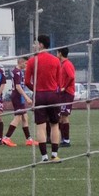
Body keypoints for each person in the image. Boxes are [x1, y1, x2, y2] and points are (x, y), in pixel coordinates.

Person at [25, 34, 63, 162]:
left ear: (41, 45)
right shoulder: (56, 60)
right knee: (54, 125)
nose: (33, 46)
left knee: (40, 126)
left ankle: (44, 157)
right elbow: (59, 81)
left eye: (35, 43)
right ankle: (54, 154)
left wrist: (35, 89)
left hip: (39, 95)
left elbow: (26, 81)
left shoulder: (31, 60)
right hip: (52, 95)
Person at [2, 55, 36, 147]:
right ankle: (6, 137)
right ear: (20, 62)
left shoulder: (19, 72)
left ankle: (29, 139)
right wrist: (26, 97)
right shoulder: (16, 72)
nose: (26, 65)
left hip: (19, 96)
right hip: (17, 96)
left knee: (25, 117)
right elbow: (18, 87)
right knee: (18, 117)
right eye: (26, 63)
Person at [57, 47, 76, 147]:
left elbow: (71, 77)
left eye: (57, 52)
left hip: (67, 93)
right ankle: (62, 138)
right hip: (63, 93)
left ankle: (66, 140)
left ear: (60, 53)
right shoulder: (62, 64)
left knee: (64, 116)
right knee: (60, 116)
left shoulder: (67, 64)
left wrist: (65, 87)